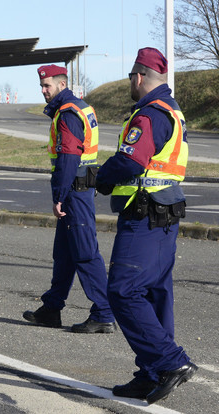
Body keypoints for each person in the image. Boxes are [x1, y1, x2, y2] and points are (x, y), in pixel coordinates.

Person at [95, 47, 196, 404]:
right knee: (154, 294)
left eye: (129, 77)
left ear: (138, 77)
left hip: (144, 217)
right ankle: (152, 372)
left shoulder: (149, 115)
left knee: (122, 291)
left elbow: (132, 161)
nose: (129, 83)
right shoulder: (172, 111)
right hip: (163, 217)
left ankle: (170, 362)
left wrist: (101, 176)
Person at [22, 65, 116, 334]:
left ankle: (104, 313)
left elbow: (68, 158)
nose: (43, 91)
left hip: (74, 192)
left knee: (85, 253)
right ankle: (51, 309)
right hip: (78, 189)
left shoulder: (68, 114)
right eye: (42, 86)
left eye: (47, 86)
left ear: (62, 85)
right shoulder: (78, 107)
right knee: (64, 255)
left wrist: (59, 196)